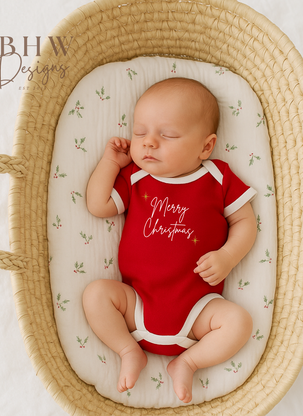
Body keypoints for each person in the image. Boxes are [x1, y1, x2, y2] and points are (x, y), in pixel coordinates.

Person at [83, 77, 257, 403]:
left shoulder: (217, 177)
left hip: (198, 311)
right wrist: (110, 162)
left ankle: (188, 361)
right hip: (136, 304)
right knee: (96, 294)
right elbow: (98, 204)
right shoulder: (135, 178)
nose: (148, 143)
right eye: (139, 133)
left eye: (167, 135)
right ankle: (127, 350)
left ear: (206, 147)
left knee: (239, 322)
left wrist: (228, 256)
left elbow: (246, 222)